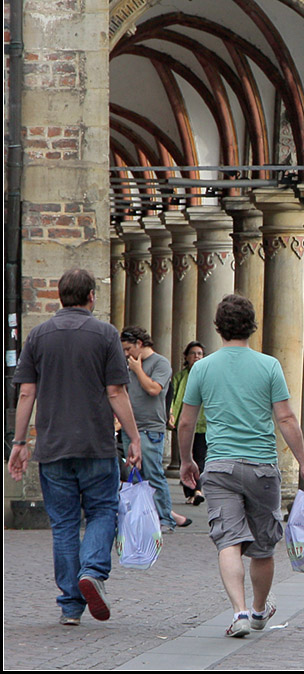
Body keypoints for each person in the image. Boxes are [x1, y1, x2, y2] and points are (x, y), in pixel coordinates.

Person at [177, 294, 304, 638]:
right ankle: (258, 611)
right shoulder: (269, 366)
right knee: (263, 546)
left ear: (218, 327)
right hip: (261, 467)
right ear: (252, 326)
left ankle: (238, 612)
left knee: (228, 541)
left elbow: (185, 422)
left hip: (220, 466)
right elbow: (285, 418)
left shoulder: (202, 367)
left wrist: (186, 461)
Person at [8, 268, 143, 626]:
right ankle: (93, 571)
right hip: (96, 443)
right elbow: (116, 391)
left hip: (52, 446)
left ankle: (70, 605)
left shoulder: (38, 336)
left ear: (59, 295)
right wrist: (134, 436)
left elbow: (26, 392)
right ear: (91, 297)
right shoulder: (105, 335)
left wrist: (19, 443)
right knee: (102, 512)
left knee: (64, 524)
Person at [120, 326, 188, 531]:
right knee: (134, 475)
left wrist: (138, 370)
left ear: (140, 344)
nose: (126, 354)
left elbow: (153, 389)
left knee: (153, 473)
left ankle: (166, 518)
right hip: (129, 427)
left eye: (129, 348)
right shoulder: (127, 364)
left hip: (150, 428)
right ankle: (143, 517)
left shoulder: (160, 363)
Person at [168, 341, 207, 505]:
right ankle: (190, 491)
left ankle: (197, 489)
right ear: (186, 356)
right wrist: (170, 414)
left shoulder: (208, 377)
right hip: (184, 422)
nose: (196, 356)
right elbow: (172, 397)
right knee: (185, 457)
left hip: (203, 423)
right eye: (193, 353)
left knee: (200, 457)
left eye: (199, 354)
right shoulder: (179, 377)